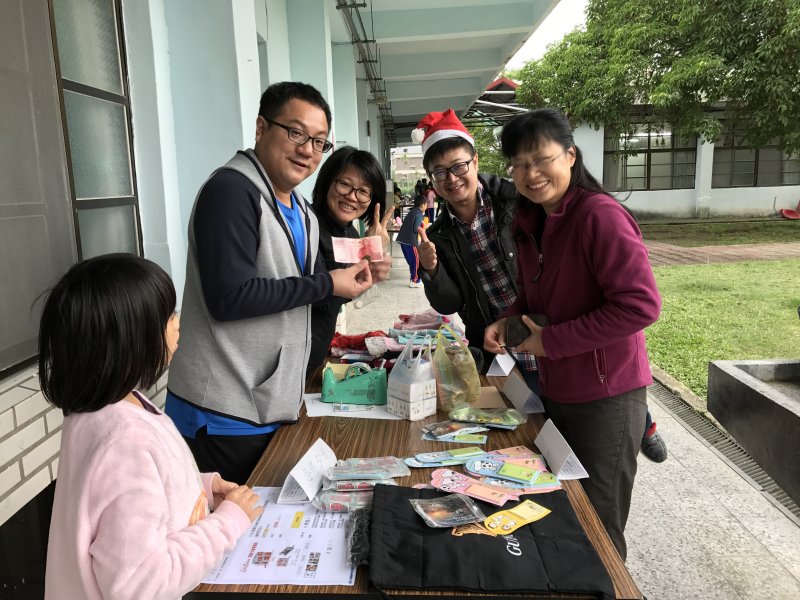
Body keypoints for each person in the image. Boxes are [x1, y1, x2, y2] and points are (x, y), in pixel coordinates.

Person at [166, 82, 373, 484]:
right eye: (296, 133)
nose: (307, 150)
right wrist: (328, 284)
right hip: (222, 414)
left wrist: (351, 280)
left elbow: (310, 291)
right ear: (261, 128)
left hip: (269, 404)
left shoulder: (303, 211)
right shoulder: (230, 191)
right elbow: (229, 297)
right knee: (228, 519)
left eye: (318, 141)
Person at [484, 108, 662, 560]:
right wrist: (507, 321)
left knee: (598, 522)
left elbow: (640, 305)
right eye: (519, 164)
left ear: (570, 155)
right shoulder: (532, 222)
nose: (531, 173)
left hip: (607, 397)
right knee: (567, 510)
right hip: (557, 387)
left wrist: (551, 342)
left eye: (541, 159)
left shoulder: (599, 216)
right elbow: (531, 296)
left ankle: (611, 586)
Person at [40, 254, 262, 600]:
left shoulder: (104, 406)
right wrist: (227, 524)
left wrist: (201, 490)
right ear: (130, 339)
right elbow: (141, 584)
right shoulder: (124, 443)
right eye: (166, 316)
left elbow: (124, 505)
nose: (177, 323)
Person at [412, 109, 540, 387]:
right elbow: (449, 304)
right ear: (432, 179)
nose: (451, 178)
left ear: (475, 161)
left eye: (459, 166)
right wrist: (432, 269)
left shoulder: (516, 200)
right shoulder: (438, 235)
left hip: (544, 337)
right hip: (496, 352)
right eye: (439, 172)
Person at [308, 146, 394, 374]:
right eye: (344, 184)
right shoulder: (307, 225)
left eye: (364, 191)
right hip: (292, 353)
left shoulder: (351, 232)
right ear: (328, 181)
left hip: (318, 350)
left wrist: (372, 265)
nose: (352, 196)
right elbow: (309, 293)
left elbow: (347, 294)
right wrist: (366, 262)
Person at [396, 194, 428, 287]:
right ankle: (415, 281)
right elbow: (415, 228)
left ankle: (413, 278)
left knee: (412, 261)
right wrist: (424, 226)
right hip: (410, 241)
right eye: (426, 205)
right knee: (416, 261)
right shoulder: (419, 214)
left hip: (403, 240)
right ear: (422, 205)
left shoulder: (413, 211)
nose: (426, 207)